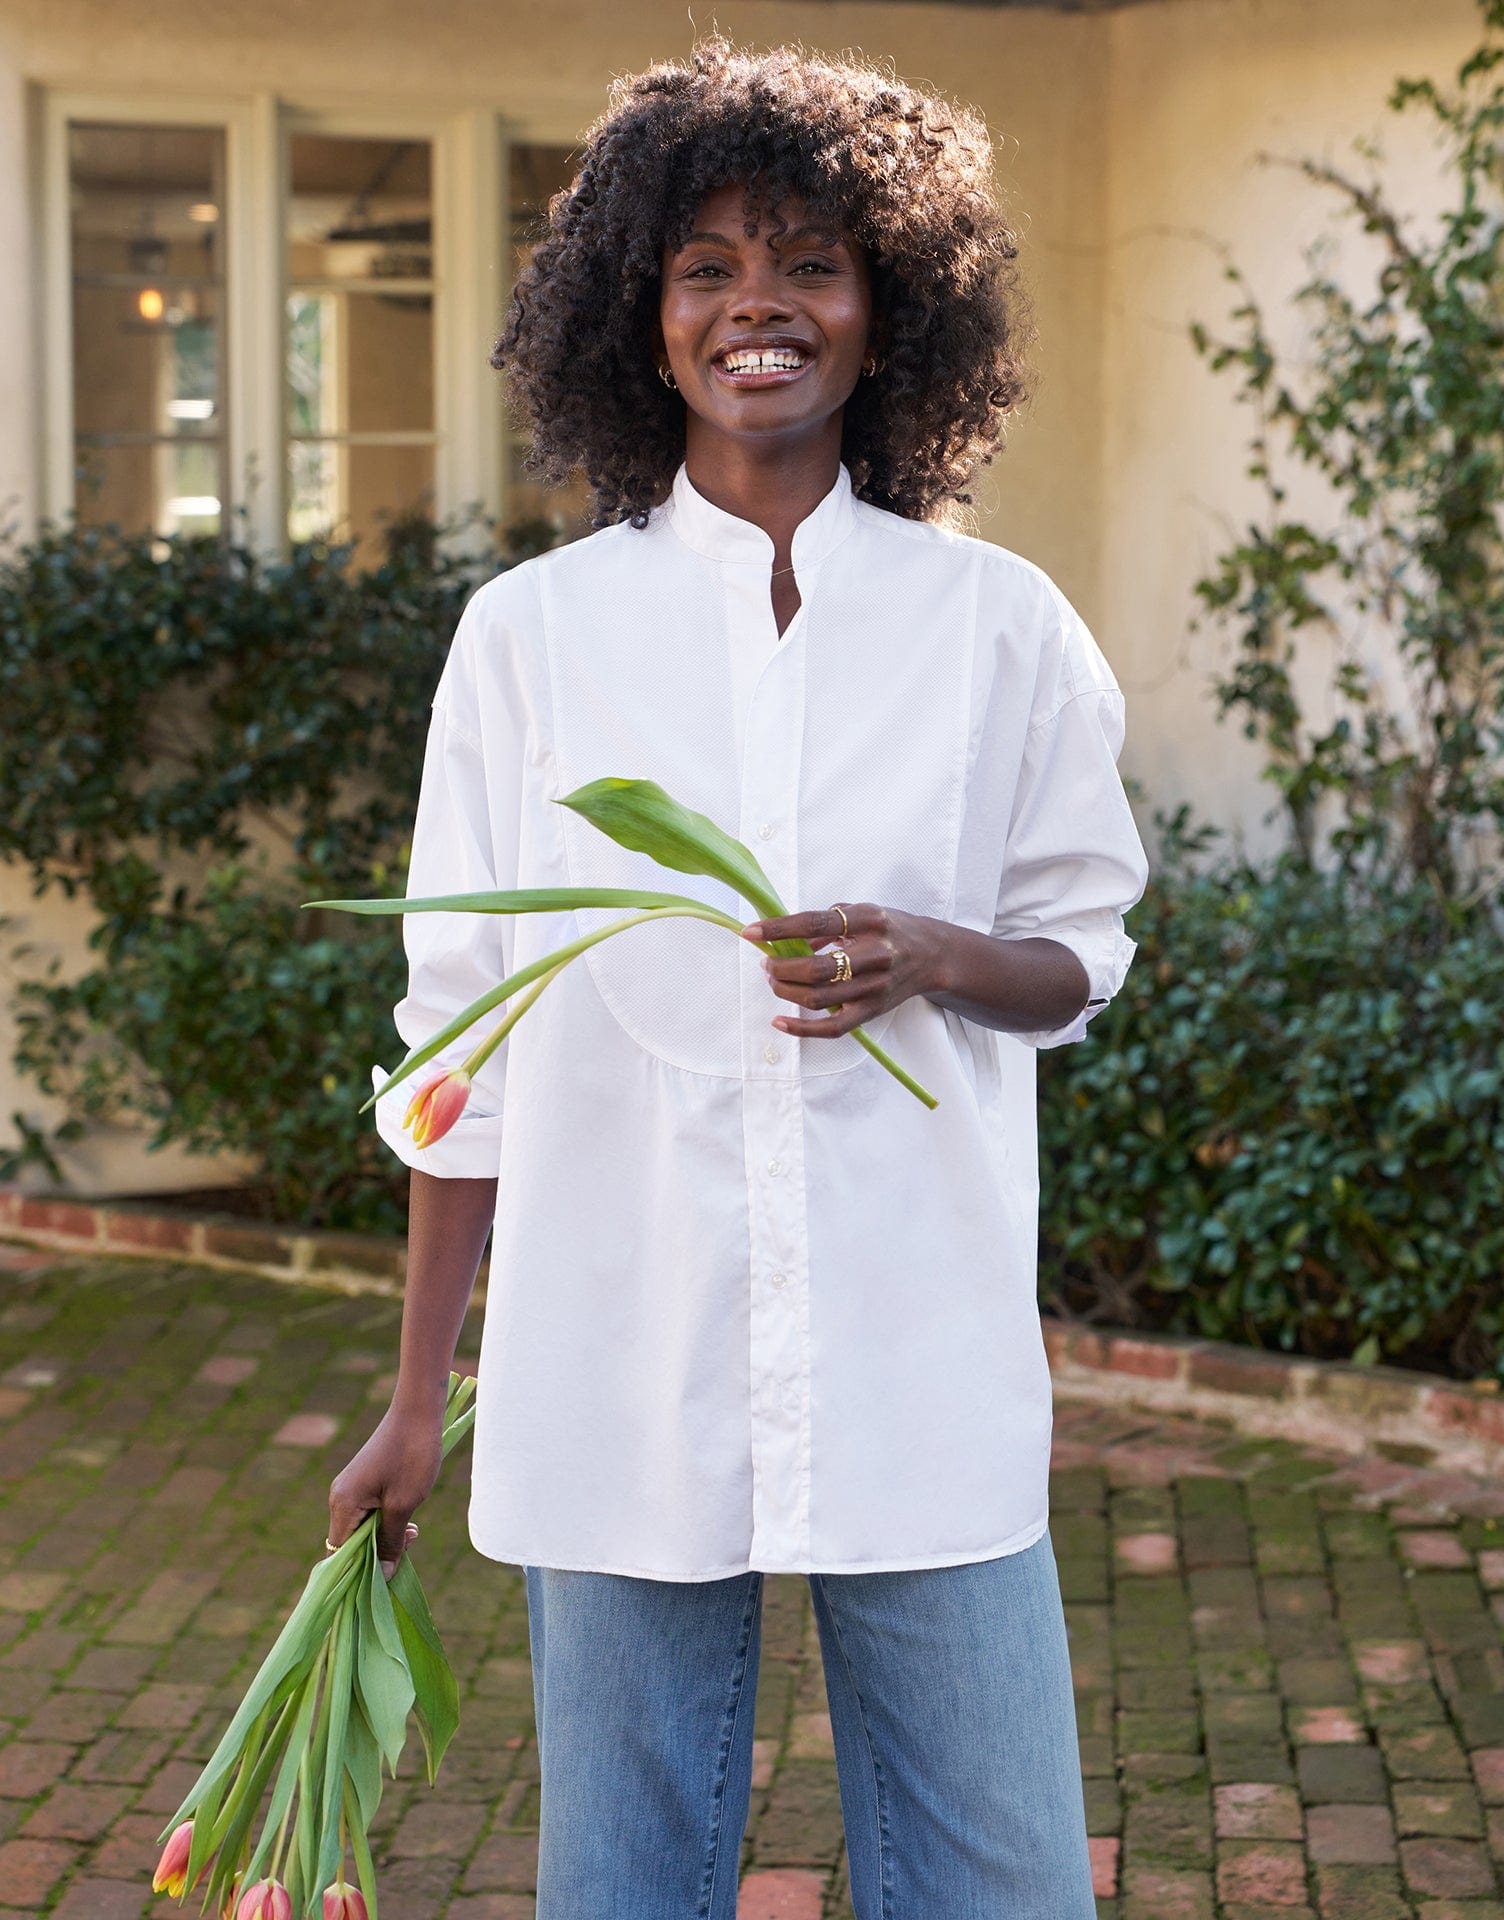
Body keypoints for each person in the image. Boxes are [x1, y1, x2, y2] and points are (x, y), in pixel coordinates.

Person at [327, 36, 1148, 1920]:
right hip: (616, 1354)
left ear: (893, 309)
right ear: (642, 313)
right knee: (622, 1886)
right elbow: (469, 1043)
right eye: (706, 267)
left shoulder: (996, 628)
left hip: (917, 1355)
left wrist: (935, 952)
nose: (757, 307)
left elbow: (1082, 952)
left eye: (812, 261)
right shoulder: (534, 640)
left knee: (1004, 1881)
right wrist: (409, 1397)